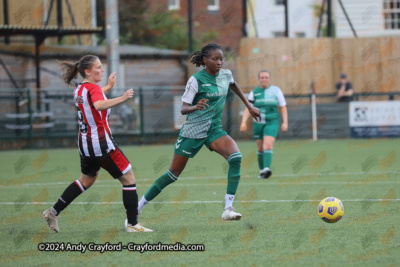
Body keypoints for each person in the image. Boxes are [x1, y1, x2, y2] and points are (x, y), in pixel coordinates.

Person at [138, 43, 261, 220]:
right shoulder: (196, 80)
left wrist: (249, 106)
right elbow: (183, 109)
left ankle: (228, 209)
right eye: (215, 59)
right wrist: (196, 106)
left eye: (221, 59)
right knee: (173, 174)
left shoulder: (226, 75)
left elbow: (234, 85)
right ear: (205, 60)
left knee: (236, 158)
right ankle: (138, 207)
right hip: (193, 131)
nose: (219, 62)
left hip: (214, 130)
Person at [43, 55, 152, 233]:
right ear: (87, 71)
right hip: (101, 143)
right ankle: (133, 224)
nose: (102, 70)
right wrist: (123, 97)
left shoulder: (79, 89)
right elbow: (99, 104)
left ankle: (53, 212)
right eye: (99, 67)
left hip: (85, 144)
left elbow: (93, 97)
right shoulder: (93, 89)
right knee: (129, 178)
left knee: (86, 180)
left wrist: (108, 87)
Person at [240, 70, 288, 179]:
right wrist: (243, 122)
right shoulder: (254, 92)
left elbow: (283, 107)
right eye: (262, 77)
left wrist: (285, 122)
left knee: (268, 145)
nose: (264, 79)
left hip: (272, 122)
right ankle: (262, 171)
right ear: (259, 79)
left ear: (269, 79)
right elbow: (248, 108)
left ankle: (266, 169)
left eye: (266, 77)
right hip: (258, 123)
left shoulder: (276, 91)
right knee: (260, 147)